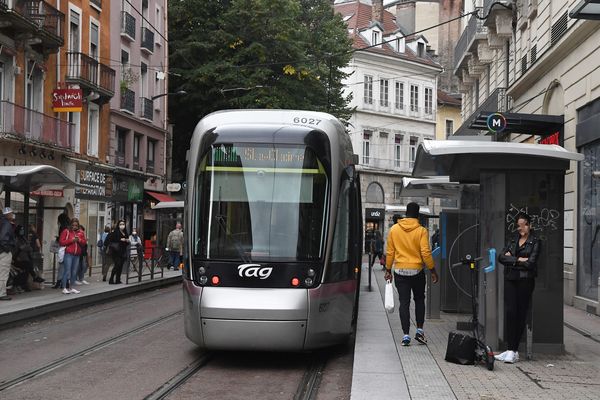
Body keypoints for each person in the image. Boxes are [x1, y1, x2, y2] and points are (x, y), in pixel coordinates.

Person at [384, 203, 438, 346]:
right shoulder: (421, 230)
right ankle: (419, 332)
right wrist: (432, 270)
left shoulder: (394, 230)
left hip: (400, 271)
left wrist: (388, 270)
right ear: (418, 214)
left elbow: (390, 252)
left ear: (406, 213)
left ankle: (406, 335)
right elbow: (425, 253)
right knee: (419, 300)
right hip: (417, 271)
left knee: (404, 302)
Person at [496, 212, 540, 364]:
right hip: (511, 279)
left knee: (520, 314)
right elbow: (501, 257)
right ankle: (509, 349)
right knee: (510, 312)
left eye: (524, 225)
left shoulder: (535, 241)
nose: (521, 229)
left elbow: (531, 263)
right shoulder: (513, 239)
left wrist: (511, 259)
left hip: (525, 281)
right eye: (519, 226)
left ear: (529, 225)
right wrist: (518, 259)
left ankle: (514, 351)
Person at [58, 218, 86, 294]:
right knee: (67, 271)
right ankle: (64, 287)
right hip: (68, 253)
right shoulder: (66, 231)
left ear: (78, 225)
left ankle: (71, 287)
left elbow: (84, 243)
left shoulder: (81, 232)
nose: (74, 226)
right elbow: (61, 242)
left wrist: (79, 240)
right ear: (70, 224)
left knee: (74, 272)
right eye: (73, 225)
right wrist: (72, 240)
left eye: (76, 225)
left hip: (77, 254)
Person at [0, 207, 16, 300]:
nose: (13, 214)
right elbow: (3, 239)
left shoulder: (1, 222)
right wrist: (7, 249)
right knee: (3, 273)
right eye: (12, 213)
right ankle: (1, 293)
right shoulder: (6, 224)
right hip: (3, 252)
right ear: (8, 214)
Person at [106, 220, 129, 284]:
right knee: (117, 265)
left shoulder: (125, 232)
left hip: (123, 251)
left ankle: (118, 279)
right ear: (118, 225)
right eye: (121, 224)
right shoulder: (115, 232)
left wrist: (127, 240)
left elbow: (127, 242)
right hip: (116, 251)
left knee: (121, 266)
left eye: (123, 224)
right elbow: (112, 240)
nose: (122, 225)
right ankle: (111, 279)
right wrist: (120, 239)